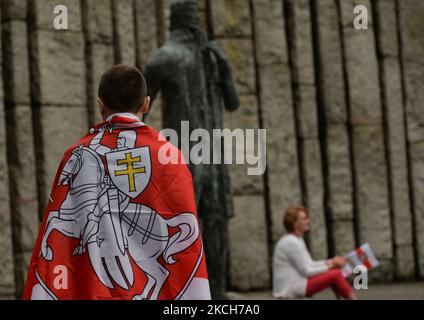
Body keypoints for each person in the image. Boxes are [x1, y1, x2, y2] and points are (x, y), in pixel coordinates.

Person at [23, 65, 210, 300]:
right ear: (146, 104)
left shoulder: (77, 153)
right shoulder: (170, 155)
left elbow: (60, 215)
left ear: (100, 105)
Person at [144, 0, 240, 299]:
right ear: (184, 20)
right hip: (181, 154)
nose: (199, 22)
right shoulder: (163, 59)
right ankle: (177, 292)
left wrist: (223, 65)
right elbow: (139, 112)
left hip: (212, 153)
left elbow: (233, 102)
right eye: (194, 16)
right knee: (178, 223)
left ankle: (217, 292)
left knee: (215, 219)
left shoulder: (208, 58)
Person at [273, 207, 356, 300]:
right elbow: (307, 271)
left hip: (297, 284)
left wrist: (331, 262)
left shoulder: (297, 239)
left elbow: (310, 264)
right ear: (295, 223)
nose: (308, 221)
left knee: (335, 273)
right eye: (304, 218)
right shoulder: (291, 242)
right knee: (335, 274)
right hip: (292, 288)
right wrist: (332, 265)